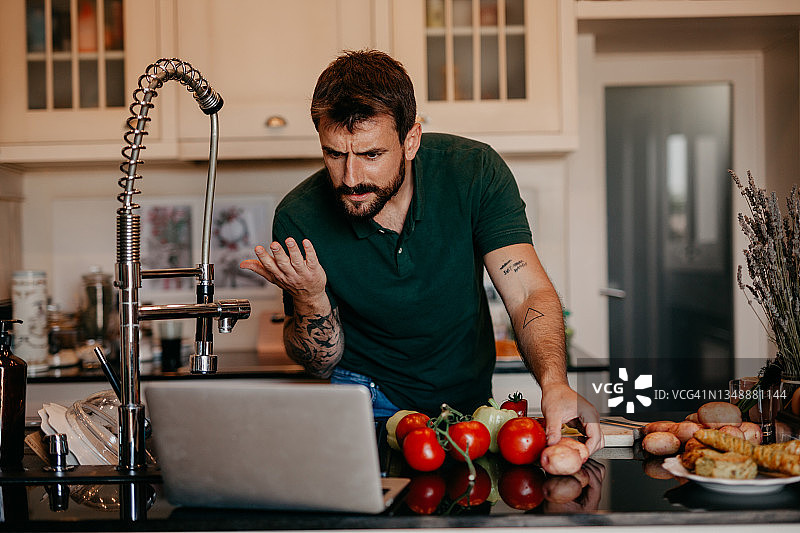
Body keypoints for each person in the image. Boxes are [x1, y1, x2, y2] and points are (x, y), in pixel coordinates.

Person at [240, 50, 602, 454]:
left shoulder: (473, 171)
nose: (350, 177)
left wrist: (554, 384)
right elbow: (319, 364)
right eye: (334, 154)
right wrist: (310, 298)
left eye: (371, 155)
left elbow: (525, 292)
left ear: (410, 140)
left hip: (467, 404)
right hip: (364, 397)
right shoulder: (299, 217)